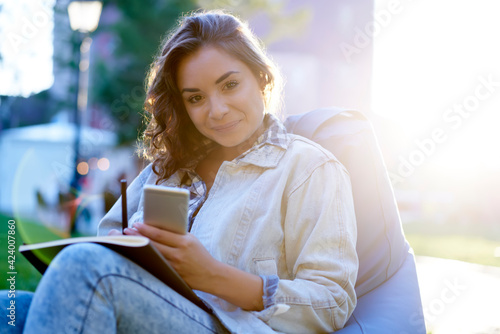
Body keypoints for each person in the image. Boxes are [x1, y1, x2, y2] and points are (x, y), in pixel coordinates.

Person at [4, 10, 358, 333]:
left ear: (262, 79)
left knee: (81, 269)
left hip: (232, 328)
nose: (216, 110)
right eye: (195, 98)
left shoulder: (309, 168)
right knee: (10, 306)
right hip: (143, 309)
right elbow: (106, 247)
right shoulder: (168, 168)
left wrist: (214, 276)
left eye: (230, 85)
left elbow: (332, 302)